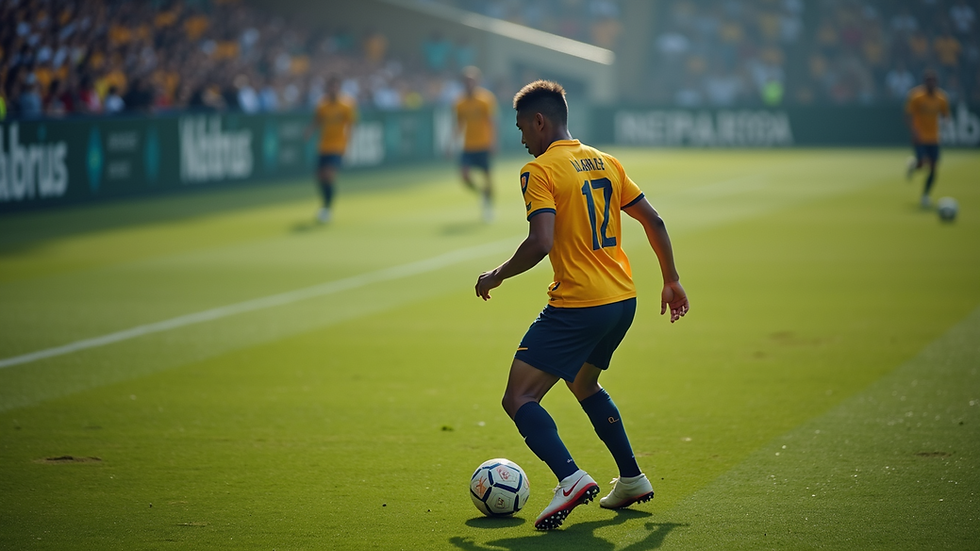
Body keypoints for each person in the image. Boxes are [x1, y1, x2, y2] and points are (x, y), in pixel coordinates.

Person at [475, 80, 689, 531]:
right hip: (622, 300)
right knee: (584, 384)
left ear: (539, 121)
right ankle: (631, 478)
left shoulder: (539, 171)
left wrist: (497, 274)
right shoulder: (606, 161)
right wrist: (670, 279)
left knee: (519, 397)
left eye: (521, 128)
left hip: (580, 304)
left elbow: (541, 241)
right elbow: (654, 219)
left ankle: (570, 478)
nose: (521, 140)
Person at [306, 75, 357, 223]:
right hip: (323, 146)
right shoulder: (322, 105)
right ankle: (325, 205)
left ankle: (327, 208)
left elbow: (351, 126)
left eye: (335, 87)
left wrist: (349, 147)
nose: (333, 90)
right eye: (330, 87)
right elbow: (317, 121)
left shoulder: (347, 104)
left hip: (338, 145)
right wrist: (310, 131)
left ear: (339, 88)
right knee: (320, 177)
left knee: (328, 175)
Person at [454, 66, 497, 222]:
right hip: (468, 145)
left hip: (483, 144)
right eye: (466, 81)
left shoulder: (485, 99)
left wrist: (493, 142)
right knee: (465, 176)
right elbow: (458, 124)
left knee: (487, 177)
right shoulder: (460, 102)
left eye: (471, 80)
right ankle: (481, 193)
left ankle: (488, 206)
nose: (469, 83)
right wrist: (451, 143)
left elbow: (492, 122)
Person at [904, 70, 950, 208]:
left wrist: (945, 124)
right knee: (923, 162)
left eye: (933, 80)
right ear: (925, 82)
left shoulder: (941, 98)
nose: (931, 83)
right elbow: (908, 115)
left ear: (936, 82)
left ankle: (925, 195)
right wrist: (914, 131)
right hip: (920, 136)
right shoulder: (916, 96)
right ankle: (915, 164)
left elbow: (945, 115)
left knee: (933, 168)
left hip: (934, 138)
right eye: (928, 80)